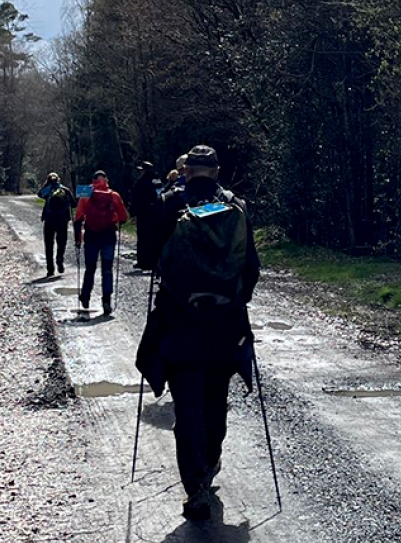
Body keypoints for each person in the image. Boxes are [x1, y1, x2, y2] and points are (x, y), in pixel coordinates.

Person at [136, 145, 261, 521]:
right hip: (225, 324)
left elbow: (146, 257)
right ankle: (211, 460)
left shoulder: (170, 204)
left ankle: (197, 486)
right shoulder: (235, 206)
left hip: (180, 322)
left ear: (187, 171)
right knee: (215, 399)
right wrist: (234, 301)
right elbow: (251, 267)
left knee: (187, 405)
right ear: (217, 171)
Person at [74, 170, 128, 314]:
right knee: (107, 270)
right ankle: (106, 301)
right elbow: (124, 217)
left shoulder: (86, 194)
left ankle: (85, 296)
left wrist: (78, 239)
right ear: (106, 180)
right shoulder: (114, 195)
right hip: (108, 235)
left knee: (90, 269)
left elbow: (78, 217)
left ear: (93, 180)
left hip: (91, 235)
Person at [37, 172, 76, 277]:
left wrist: (46, 184)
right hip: (62, 221)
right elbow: (74, 204)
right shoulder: (65, 190)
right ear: (59, 179)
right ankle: (60, 259)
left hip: (49, 220)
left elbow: (39, 194)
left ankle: (50, 269)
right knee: (61, 242)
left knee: (49, 244)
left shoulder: (47, 190)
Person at [130, 160, 162, 270]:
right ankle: (154, 261)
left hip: (143, 214)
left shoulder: (140, 183)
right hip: (156, 214)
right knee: (154, 237)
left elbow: (135, 198)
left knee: (143, 237)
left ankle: (143, 261)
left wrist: (133, 213)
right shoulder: (157, 181)